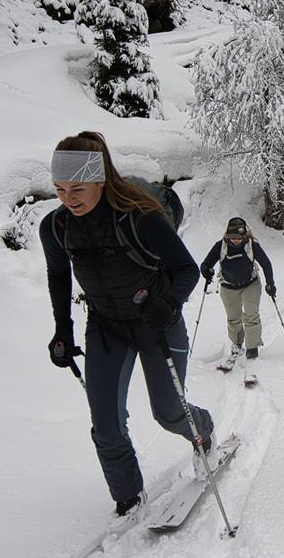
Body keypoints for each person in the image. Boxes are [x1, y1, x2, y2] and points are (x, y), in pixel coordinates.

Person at [39, 131, 212, 519]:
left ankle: (204, 430)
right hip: (106, 327)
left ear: (100, 179)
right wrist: (62, 331)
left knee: (169, 414)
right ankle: (129, 499)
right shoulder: (56, 228)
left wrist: (167, 304)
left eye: (77, 188)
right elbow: (58, 277)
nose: (68, 199)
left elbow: (186, 270)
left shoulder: (141, 217)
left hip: (157, 324)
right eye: (59, 189)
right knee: (105, 423)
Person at [200, 218, 276, 360]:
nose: (236, 240)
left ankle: (252, 347)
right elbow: (206, 263)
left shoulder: (252, 246)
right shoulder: (220, 246)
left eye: (239, 238)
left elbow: (266, 264)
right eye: (233, 237)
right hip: (228, 286)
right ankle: (237, 343)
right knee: (233, 318)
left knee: (251, 316)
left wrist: (270, 283)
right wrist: (206, 270)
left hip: (250, 284)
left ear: (244, 236)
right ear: (227, 235)